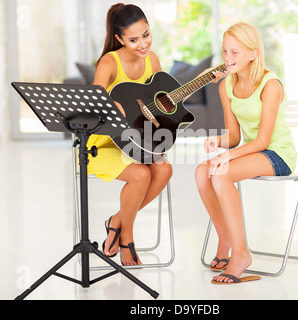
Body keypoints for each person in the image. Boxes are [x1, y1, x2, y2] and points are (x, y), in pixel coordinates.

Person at [195, 22, 297, 284]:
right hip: (254, 152)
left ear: (253, 53)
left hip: (278, 154)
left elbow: (263, 140)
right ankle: (225, 237)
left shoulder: (270, 84)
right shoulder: (226, 86)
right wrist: (218, 142)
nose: (227, 59)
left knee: (220, 174)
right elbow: (235, 136)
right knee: (201, 171)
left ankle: (240, 255)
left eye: (235, 53)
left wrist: (228, 157)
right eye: (225, 52)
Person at [87, 3, 172, 266]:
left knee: (164, 170)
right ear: (119, 39)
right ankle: (127, 238)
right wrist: (115, 107)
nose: (143, 44)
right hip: (106, 142)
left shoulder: (153, 59)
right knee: (140, 174)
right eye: (133, 39)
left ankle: (116, 222)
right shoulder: (109, 62)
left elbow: (161, 104)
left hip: (140, 140)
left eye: (146, 34)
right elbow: (93, 107)